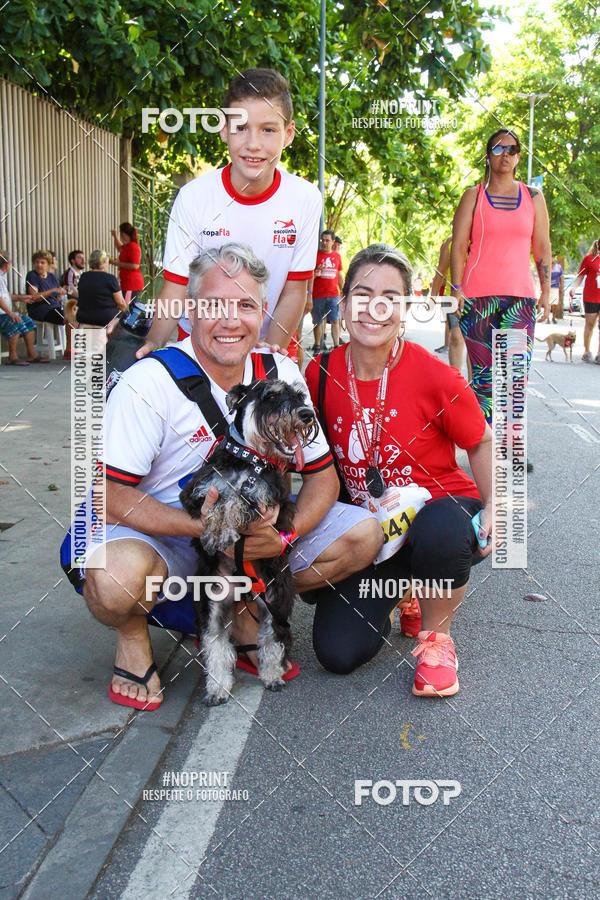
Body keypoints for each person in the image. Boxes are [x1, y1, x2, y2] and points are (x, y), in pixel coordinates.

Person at [67, 244, 381, 710]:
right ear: (190, 310)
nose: (231, 320)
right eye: (214, 305)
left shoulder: (280, 371)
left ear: (263, 314)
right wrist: (212, 531)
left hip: (255, 532)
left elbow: (322, 478)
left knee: (364, 535)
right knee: (115, 580)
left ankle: (238, 612)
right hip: (164, 532)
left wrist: (284, 533)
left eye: (246, 305)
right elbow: (106, 495)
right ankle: (132, 636)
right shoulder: (146, 382)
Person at [304, 244, 493, 697]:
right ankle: (404, 589)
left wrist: (495, 507)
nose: (375, 307)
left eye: (391, 296)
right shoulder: (317, 373)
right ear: (344, 304)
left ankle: (436, 639)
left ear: (405, 310)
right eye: (363, 293)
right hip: (371, 532)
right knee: (337, 653)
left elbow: (481, 440)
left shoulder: (436, 376)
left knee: (440, 533)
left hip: (439, 508)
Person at [137, 68, 321, 361]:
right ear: (223, 129)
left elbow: (295, 289)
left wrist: (270, 355)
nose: (253, 144)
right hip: (204, 342)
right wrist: (152, 345)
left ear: (288, 134)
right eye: (240, 128)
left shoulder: (305, 198)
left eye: (268, 129)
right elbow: (176, 284)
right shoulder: (194, 197)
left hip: (269, 341)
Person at [451, 128, 551, 470]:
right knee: (483, 379)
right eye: (498, 148)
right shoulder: (473, 196)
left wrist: (547, 290)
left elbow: (542, 248)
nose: (505, 154)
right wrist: (456, 288)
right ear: (489, 155)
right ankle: (486, 449)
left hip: (519, 300)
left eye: (511, 149)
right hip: (478, 299)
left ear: (518, 157)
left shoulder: (534, 197)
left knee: (514, 377)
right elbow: (459, 244)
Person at [0, 249, 46, 364]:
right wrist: (10, 313)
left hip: (4, 313)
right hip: (2, 314)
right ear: (8, 264)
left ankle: (31, 355)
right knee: (15, 321)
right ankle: (13, 357)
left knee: (28, 321)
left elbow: (4, 296)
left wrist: (20, 298)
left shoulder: (2, 276)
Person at [430, 236, 468, 373]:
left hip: (476, 295)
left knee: (474, 342)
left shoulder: (483, 238)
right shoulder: (451, 242)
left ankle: (472, 385)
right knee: (456, 337)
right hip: (452, 296)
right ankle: (455, 382)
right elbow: (441, 270)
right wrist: (433, 297)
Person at [310, 229, 344, 353]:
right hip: (318, 294)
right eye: (322, 240)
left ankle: (336, 346)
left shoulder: (337, 257)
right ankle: (317, 346)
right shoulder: (315, 256)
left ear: (333, 242)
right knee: (317, 321)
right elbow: (309, 277)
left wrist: (344, 292)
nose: (324, 243)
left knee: (335, 320)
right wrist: (315, 273)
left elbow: (339, 275)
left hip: (333, 294)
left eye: (327, 240)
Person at [76, 250, 127, 327]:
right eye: (107, 262)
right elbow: (121, 303)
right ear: (103, 263)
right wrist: (127, 312)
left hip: (84, 317)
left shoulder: (83, 277)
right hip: (106, 319)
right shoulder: (110, 278)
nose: (108, 264)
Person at [568, 239, 600, 363]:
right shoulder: (589, 259)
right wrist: (574, 288)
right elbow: (580, 276)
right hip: (591, 296)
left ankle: (599, 353)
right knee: (590, 324)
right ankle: (587, 351)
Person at [25, 250, 67, 326]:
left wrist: (61, 294)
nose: (39, 265)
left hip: (55, 307)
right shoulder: (32, 275)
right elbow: (34, 297)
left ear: (48, 264)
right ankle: (71, 337)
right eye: (37, 262)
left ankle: (76, 337)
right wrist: (52, 290)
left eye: (42, 263)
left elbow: (56, 298)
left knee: (77, 314)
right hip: (41, 310)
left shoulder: (51, 276)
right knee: (68, 318)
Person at [109, 222, 144, 303]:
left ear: (123, 234)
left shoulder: (133, 247)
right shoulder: (128, 246)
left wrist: (115, 263)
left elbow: (135, 265)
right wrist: (115, 236)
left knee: (127, 306)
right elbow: (120, 248)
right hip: (126, 282)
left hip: (131, 283)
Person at [549, 257, 564, 324]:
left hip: (555, 287)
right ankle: (547, 317)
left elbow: (561, 277)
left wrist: (561, 287)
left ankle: (553, 317)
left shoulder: (558, 267)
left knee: (555, 303)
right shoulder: (546, 265)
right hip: (548, 287)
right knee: (548, 303)